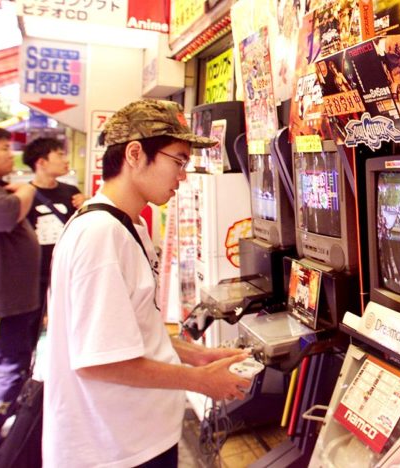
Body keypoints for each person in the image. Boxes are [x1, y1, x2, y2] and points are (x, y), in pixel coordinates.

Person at [42, 99, 251, 467]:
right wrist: (200, 380)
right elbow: (99, 362)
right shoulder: (100, 235)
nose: (183, 175)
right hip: (110, 452)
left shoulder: (128, 224)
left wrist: (197, 355)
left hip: (136, 439)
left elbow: (129, 334)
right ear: (135, 154)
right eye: (178, 160)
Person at [0, 128, 41, 449]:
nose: (10, 154)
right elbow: (8, 214)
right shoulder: (9, 192)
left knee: (15, 362)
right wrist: (27, 190)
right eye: (3, 149)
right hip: (4, 304)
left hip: (16, 301)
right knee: (7, 368)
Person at [23, 137, 85, 316]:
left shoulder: (71, 192)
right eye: (59, 155)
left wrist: (88, 204)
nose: (66, 160)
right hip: (34, 273)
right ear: (41, 162)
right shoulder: (24, 194)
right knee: (30, 323)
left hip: (66, 268)